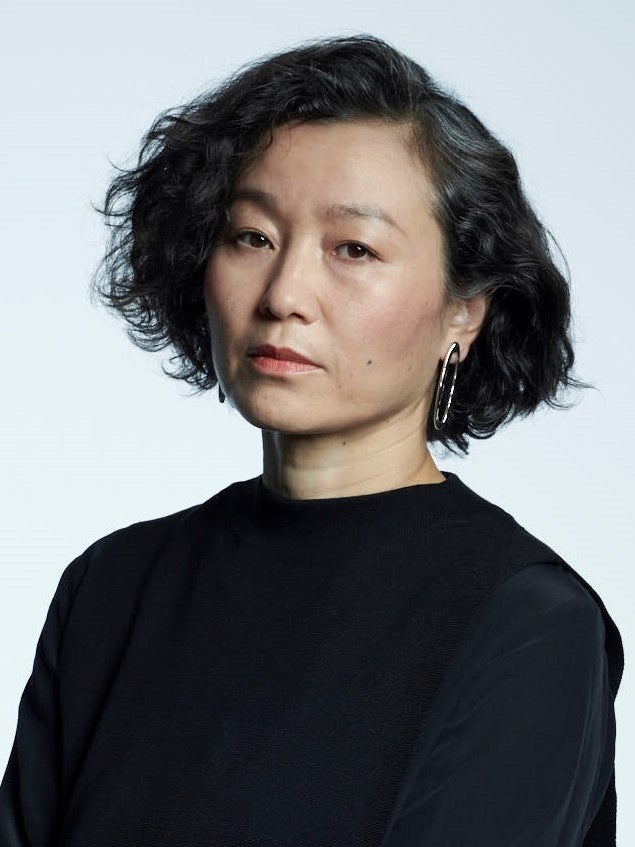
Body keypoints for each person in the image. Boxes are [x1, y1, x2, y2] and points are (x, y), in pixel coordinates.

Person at [0, 33, 623, 847]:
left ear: (463, 311)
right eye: (251, 236)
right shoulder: (112, 585)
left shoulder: (527, 621)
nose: (284, 293)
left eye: (353, 248)